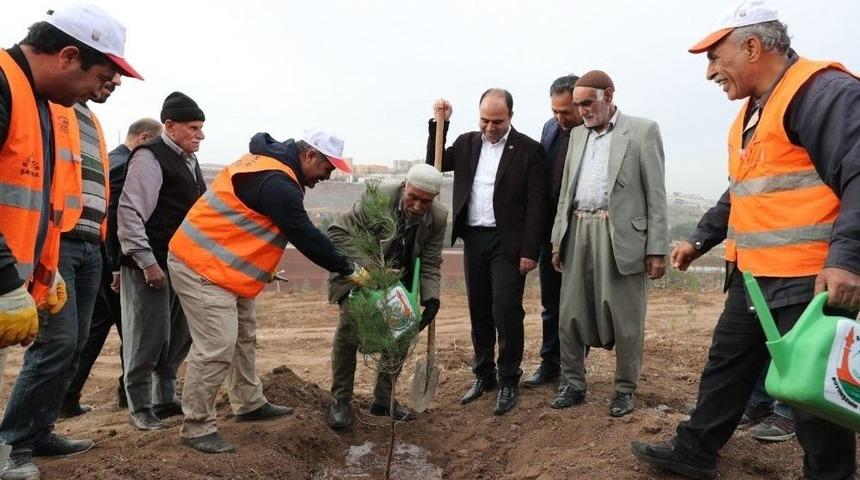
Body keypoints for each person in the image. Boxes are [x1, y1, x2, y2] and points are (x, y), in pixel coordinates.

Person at [631, 1, 860, 479]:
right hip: (755, 276)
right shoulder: (754, 112)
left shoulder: (822, 92)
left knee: (812, 396)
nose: (711, 72)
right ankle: (694, 451)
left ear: (752, 47)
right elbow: (742, 188)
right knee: (727, 368)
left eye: (716, 58)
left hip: (809, 278)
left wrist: (849, 259)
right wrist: (700, 239)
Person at [0, 6, 141, 478]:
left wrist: (43, 264)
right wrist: (5, 279)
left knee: (67, 343)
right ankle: (12, 445)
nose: (107, 89)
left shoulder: (36, 99)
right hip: (7, 267)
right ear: (66, 55)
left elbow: (39, 198)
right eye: (102, 76)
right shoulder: (4, 85)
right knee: (55, 346)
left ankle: (26, 439)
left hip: (37, 259)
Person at [168, 129, 368, 453]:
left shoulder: (272, 168)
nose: (326, 177)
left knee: (244, 335)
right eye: (326, 169)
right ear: (309, 156)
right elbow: (305, 235)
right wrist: (348, 268)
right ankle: (196, 427)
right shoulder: (277, 182)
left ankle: (248, 403)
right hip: (199, 264)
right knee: (217, 345)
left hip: (225, 270)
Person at [549, 70, 668, 417]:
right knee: (569, 315)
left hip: (621, 238)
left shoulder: (643, 131)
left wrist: (656, 248)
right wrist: (559, 238)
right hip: (579, 230)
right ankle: (572, 383)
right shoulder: (576, 137)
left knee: (626, 318)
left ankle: (624, 390)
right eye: (578, 105)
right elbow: (565, 193)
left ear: (609, 95)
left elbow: (656, 195)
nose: (582, 111)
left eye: (587, 103)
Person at [429, 89, 548, 415]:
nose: (490, 127)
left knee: (506, 310)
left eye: (497, 121)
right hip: (474, 240)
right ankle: (484, 376)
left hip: (508, 244)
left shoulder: (529, 151)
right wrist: (440, 124)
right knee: (479, 309)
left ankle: (509, 379)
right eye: (485, 120)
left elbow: (538, 206)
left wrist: (530, 251)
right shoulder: (467, 143)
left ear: (510, 116)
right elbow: (435, 164)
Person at [327, 163, 447, 430]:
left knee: (403, 332)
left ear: (434, 199)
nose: (416, 205)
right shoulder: (377, 198)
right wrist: (372, 270)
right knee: (349, 331)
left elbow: (430, 261)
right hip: (358, 274)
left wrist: (432, 297)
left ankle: (383, 401)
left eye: (425, 201)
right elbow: (338, 233)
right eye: (413, 197)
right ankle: (341, 400)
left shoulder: (438, 217)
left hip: (399, 282)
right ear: (405, 185)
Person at [117, 92, 207, 431]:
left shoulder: (190, 161)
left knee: (179, 336)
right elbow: (129, 212)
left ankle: (165, 399)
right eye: (193, 128)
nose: (200, 135)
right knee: (147, 336)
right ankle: (140, 406)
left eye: (201, 128)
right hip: (149, 265)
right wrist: (146, 262)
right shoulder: (149, 157)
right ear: (168, 126)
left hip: (181, 264)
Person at [61, 118, 162, 416]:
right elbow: (117, 217)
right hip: (112, 262)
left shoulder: (112, 159)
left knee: (95, 329)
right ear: (144, 138)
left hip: (104, 261)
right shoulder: (125, 163)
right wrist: (117, 267)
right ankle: (129, 396)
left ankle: (68, 397)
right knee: (135, 330)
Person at [522, 73, 583, 389]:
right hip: (549, 231)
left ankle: (574, 369)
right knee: (551, 303)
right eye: (555, 111)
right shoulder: (549, 128)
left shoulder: (593, 133)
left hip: (580, 233)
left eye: (567, 112)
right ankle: (550, 363)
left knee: (576, 306)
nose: (560, 118)